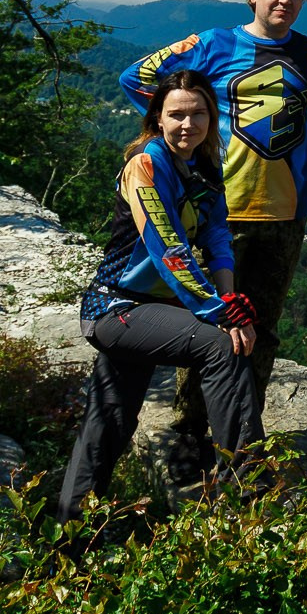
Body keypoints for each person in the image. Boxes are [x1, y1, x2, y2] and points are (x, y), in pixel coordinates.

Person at [117, 0, 307, 396]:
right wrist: (178, 137)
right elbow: (136, 77)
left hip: (284, 214)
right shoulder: (214, 44)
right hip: (216, 209)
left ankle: (244, 439)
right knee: (209, 322)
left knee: (263, 327)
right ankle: (191, 430)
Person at [59, 72, 262, 517]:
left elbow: (217, 237)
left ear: (211, 117)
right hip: (117, 307)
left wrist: (228, 300)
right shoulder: (145, 165)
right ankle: (249, 493)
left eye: (198, 113)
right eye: (176, 114)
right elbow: (167, 245)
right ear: (157, 118)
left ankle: (68, 537)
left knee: (108, 423)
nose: (187, 124)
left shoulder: (204, 168)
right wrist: (218, 313)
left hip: (149, 308)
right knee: (221, 348)